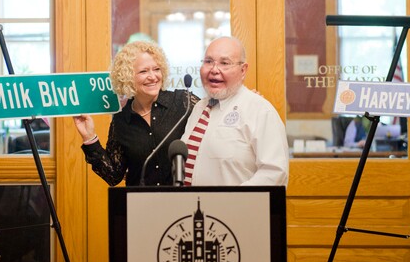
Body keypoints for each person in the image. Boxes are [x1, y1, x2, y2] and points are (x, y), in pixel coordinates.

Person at [73, 41, 198, 186]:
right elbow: (113, 176)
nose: (153, 77)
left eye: (156, 69)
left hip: (183, 202)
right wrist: (89, 137)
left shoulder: (184, 102)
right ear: (127, 77)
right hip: (139, 204)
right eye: (143, 71)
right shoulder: (121, 121)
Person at [181, 36, 289, 186]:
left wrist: (234, 200)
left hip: (235, 208)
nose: (214, 70)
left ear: (243, 70)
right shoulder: (199, 108)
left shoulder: (260, 111)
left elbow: (275, 172)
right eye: (208, 61)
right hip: (194, 207)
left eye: (224, 63)